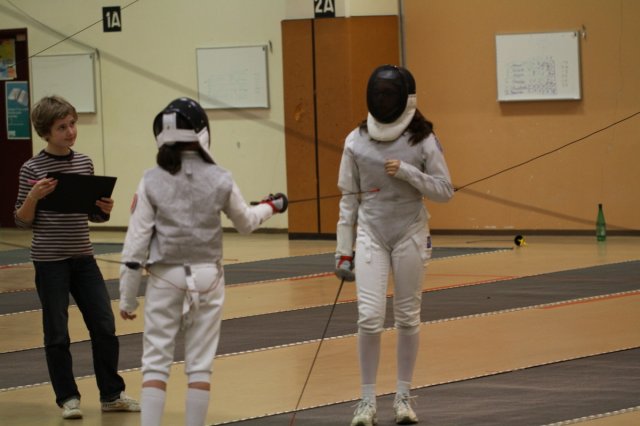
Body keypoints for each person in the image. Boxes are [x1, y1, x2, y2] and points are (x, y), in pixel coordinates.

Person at [118, 97, 288, 426]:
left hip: (165, 278)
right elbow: (246, 222)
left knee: (155, 364)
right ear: (201, 132)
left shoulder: (151, 179)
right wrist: (272, 206)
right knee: (199, 367)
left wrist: (127, 297)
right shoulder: (220, 177)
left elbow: (135, 244)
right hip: (208, 278)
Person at [334, 65, 454, 426]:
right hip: (371, 232)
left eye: (390, 94)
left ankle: (403, 398)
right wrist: (343, 250)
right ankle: (366, 402)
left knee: (406, 317)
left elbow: (445, 190)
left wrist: (407, 172)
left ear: (404, 99)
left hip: (410, 231)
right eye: (379, 93)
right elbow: (348, 200)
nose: (384, 99)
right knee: (369, 319)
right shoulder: (355, 141)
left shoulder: (423, 140)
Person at [14, 95, 140, 419]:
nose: (70, 131)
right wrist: (33, 196)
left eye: (72, 124)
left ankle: (111, 394)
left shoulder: (84, 163)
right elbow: (22, 220)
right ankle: (68, 397)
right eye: (62, 127)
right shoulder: (32, 168)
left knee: (104, 325)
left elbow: (93, 216)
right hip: (50, 261)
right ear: (46, 132)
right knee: (57, 332)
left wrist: (104, 210)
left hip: (84, 258)